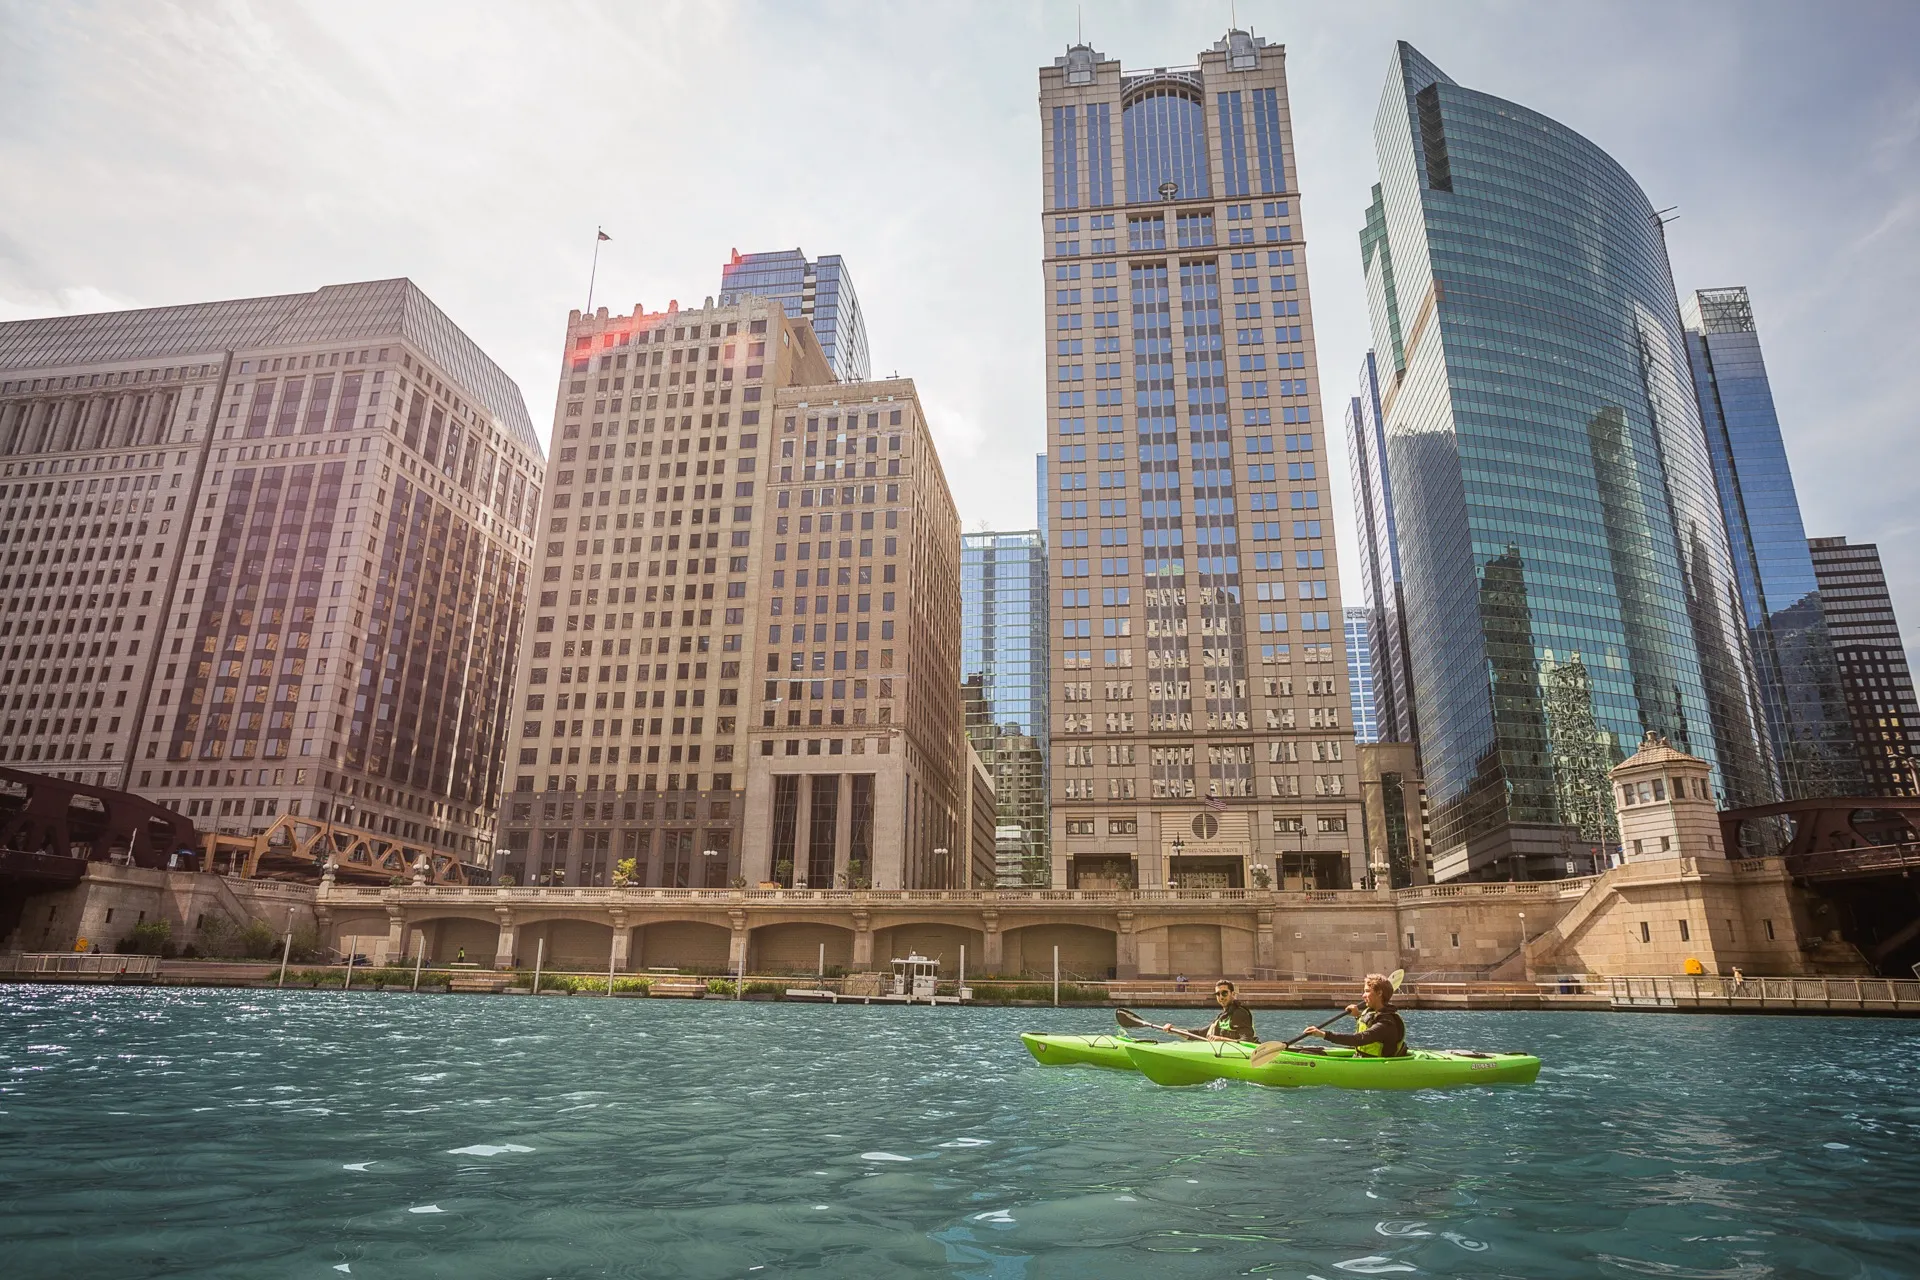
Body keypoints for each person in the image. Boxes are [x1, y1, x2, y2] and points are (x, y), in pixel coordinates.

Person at [1301, 972, 1407, 1057]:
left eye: (1367, 991)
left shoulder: (1386, 1023)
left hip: (1376, 1064)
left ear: (1379, 993)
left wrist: (1323, 1034)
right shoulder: (1373, 1013)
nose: (1363, 995)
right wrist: (1357, 1016)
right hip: (1363, 1057)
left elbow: (1359, 1039)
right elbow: (1368, 1027)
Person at [1163, 979, 1256, 1043]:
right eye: (1218, 994)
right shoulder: (1222, 1017)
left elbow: (1247, 1041)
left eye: (1224, 993)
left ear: (1233, 994)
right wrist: (1175, 1030)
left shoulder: (1240, 1013)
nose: (1221, 997)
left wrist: (1221, 1039)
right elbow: (1199, 1033)